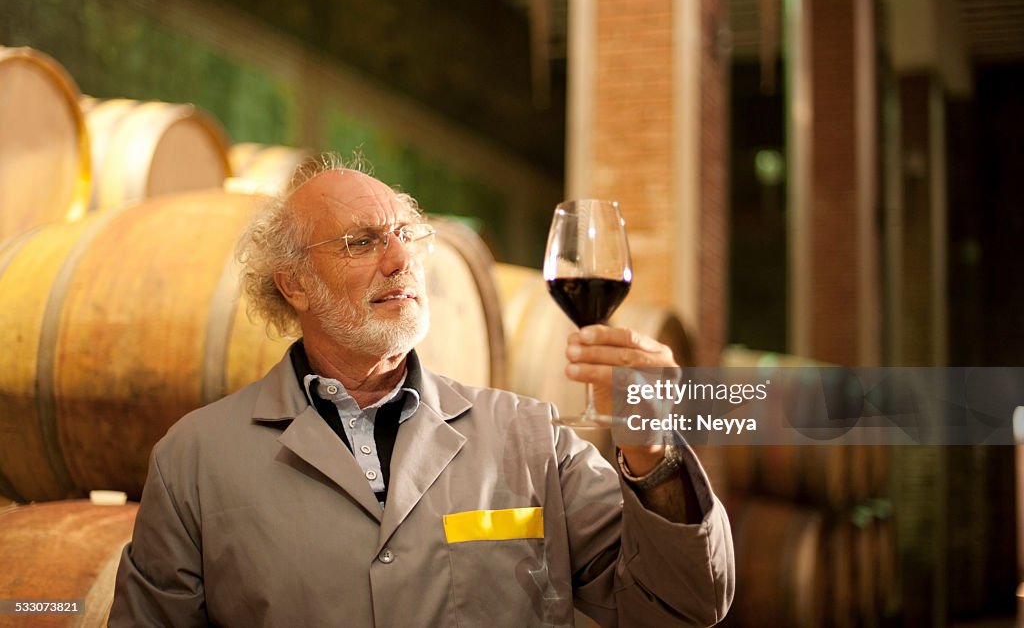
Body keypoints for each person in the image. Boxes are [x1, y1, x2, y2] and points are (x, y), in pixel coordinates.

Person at [110, 155, 735, 627]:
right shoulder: (194, 460)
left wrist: (654, 453)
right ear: (294, 283)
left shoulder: (530, 436)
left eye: (407, 236)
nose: (398, 260)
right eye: (362, 242)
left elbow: (687, 606)